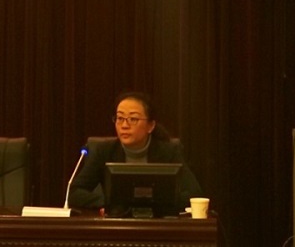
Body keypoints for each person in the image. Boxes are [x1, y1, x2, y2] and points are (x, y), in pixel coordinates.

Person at [68, 91, 203, 214]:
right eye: (120, 118)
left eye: (133, 119)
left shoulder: (169, 151)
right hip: (117, 225)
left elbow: (194, 194)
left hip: (158, 224)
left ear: (150, 126)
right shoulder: (104, 151)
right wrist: (109, 202)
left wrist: (158, 203)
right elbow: (74, 192)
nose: (124, 125)